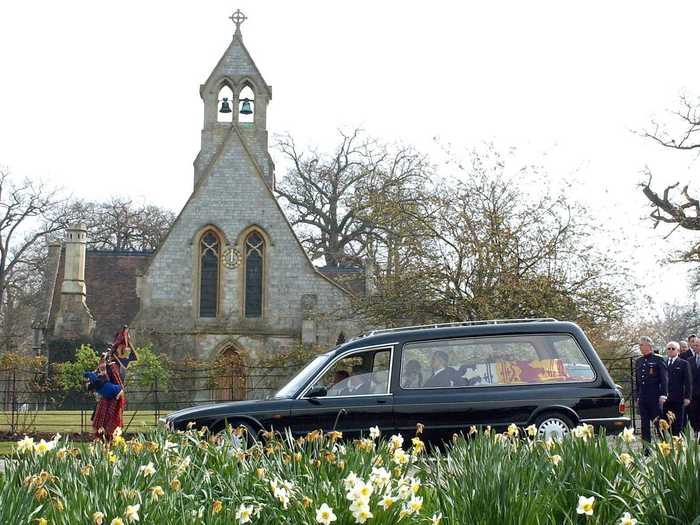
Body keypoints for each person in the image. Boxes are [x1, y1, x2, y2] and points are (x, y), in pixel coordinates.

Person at [635, 336, 668, 446]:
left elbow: (664, 379)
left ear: (648, 345)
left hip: (654, 397)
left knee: (658, 423)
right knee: (644, 424)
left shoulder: (658, 359)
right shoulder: (639, 361)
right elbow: (638, 380)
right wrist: (637, 396)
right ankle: (646, 449)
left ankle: (665, 445)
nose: (640, 347)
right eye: (639, 345)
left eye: (641, 345)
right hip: (643, 397)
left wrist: (663, 394)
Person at [92, 353, 126, 441]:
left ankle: (107, 446)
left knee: (111, 432)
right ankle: (102, 448)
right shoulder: (106, 369)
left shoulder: (113, 367)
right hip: (105, 401)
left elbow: (119, 388)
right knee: (100, 431)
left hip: (112, 401)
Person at [663, 341, 692, 435]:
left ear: (678, 351)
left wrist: (687, 397)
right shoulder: (663, 362)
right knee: (666, 424)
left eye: (673, 349)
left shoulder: (683, 363)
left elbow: (688, 382)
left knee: (678, 424)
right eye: (669, 348)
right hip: (666, 399)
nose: (670, 350)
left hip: (678, 398)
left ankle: (678, 446)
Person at [682, 336, 700, 437]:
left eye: (697, 345)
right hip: (693, 394)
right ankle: (696, 433)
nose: (695, 347)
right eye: (694, 345)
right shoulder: (689, 360)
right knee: (693, 416)